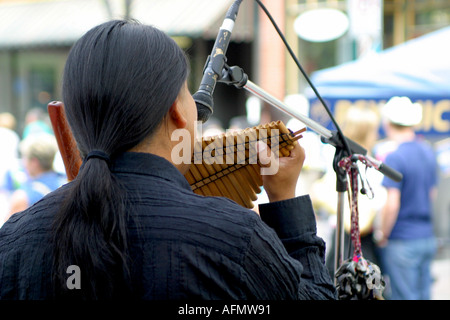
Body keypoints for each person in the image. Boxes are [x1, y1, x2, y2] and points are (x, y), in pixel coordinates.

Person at [0, 20, 336, 300]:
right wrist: (284, 202)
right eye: (189, 93)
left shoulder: (13, 242)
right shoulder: (235, 239)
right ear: (176, 111)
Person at [311, 107, 386, 277]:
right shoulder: (357, 166)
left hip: (352, 242)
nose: (376, 136)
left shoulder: (357, 164)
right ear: (365, 133)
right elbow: (363, 222)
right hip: (353, 245)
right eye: (373, 131)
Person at [375, 96, 438, 300]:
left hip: (402, 239)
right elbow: (432, 194)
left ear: (388, 123)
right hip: (426, 236)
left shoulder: (395, 156)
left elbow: (392, 203)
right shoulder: (428, 151)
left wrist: (383, 233)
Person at [5, 133, 66, 221]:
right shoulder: (68, 182)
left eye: (25, 158)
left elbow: (7, 231)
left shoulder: (23, 196)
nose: (23, 163)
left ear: (34, 162)